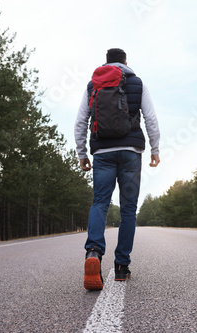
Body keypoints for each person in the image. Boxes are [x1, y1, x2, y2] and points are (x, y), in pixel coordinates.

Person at [75, 48, 160, 290]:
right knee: (129, 209)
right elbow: (151, 118)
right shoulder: (137, 83)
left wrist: (83, 153)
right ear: (126, 61)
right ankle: (121, 266)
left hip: (102, 152)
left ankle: (93, 252)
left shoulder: (94, 85)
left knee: (100, 201)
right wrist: (155, 150)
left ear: (106, 62)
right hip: (131, 152)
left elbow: (81, 121)